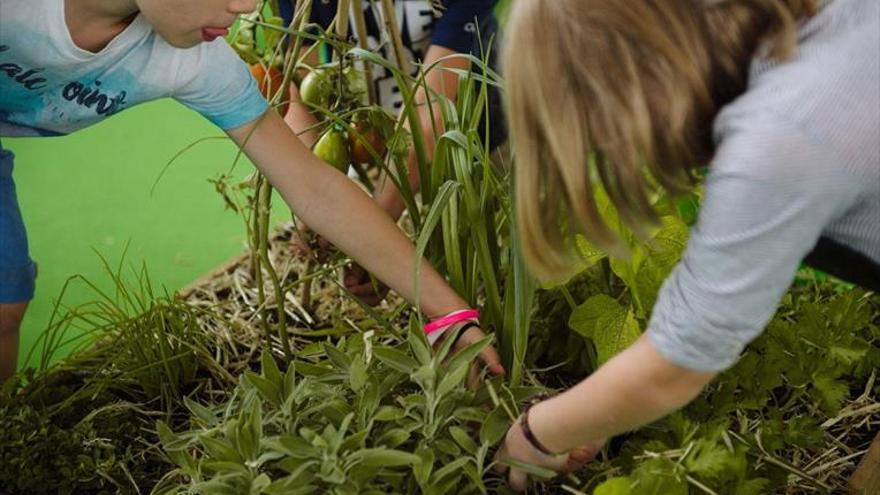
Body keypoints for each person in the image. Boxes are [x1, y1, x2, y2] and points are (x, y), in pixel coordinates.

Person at [0, 0, 504, 382]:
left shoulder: (197, 61)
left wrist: (449, 313)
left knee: (6, 303)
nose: (246, 6)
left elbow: (314, 185)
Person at [495, 0, 879, 490]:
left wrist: (538, 433)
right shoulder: (810, 32)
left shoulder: (779, 135)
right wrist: (597, 413)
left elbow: (677, 361)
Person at [278, 0, 503, 304]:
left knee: (492, 256)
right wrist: (313, 194)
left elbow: (430, 114)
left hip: (478, 142)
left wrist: (373, 238)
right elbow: (299, 94)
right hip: (366, 145)